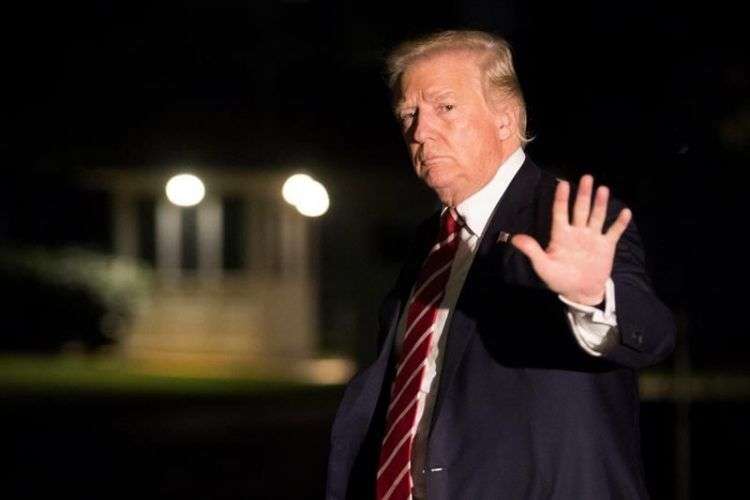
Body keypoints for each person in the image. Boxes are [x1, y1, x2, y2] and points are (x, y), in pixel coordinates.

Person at [326, 30, 675, 500]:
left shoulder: (567, 217)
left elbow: (650, 331)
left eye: (444, 107)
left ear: (505, 121)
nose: (420, 131)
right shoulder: (431, 242)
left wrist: (592, 298)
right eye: (409, 113)